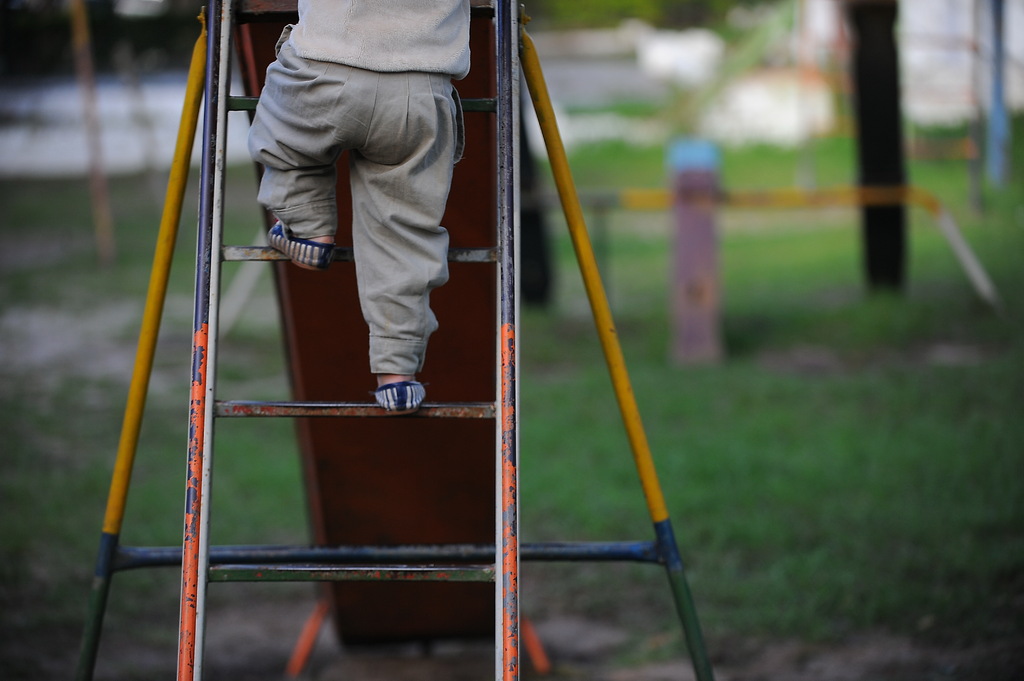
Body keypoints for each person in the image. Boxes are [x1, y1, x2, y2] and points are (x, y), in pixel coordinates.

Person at [248, 0, 470, 414]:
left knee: (286, 138)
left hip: (324, 68)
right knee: (403, 228)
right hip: (420, 90)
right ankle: (397, 372)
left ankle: (306, 224)